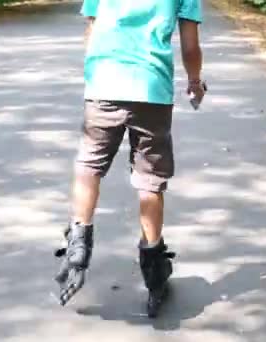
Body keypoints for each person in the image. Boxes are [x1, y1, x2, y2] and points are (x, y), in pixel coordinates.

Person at [54, 0, 205, 318]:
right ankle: (153, 271)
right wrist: (195, 82)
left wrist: (93, 76)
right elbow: (190, 47)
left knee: (89, 165)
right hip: (152, 88)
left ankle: (79, 240)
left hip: (104, 85)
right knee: (150, 180)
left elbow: (93, 30)